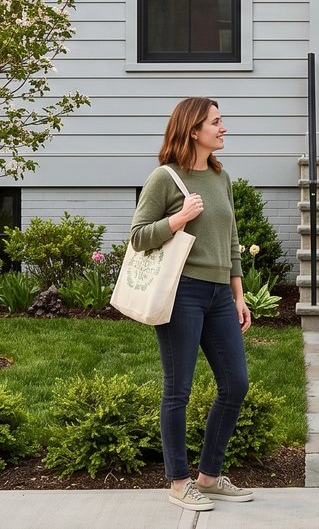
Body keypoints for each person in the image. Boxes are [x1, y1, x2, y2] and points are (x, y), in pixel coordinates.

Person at [129, 96, 254, 512]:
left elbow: (232, 242)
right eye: (216, 122)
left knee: (235, 384)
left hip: (219, 295)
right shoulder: (164, 178)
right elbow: (138, 236)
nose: (223, 128)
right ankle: (180, 482)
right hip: (181, 293)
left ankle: (209, 477)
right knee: (178, 389)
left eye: (221, 121)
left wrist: (238, 295)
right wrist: (178, 219)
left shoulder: (221, 177)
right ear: (193, 130)